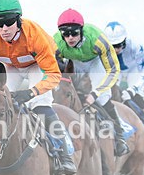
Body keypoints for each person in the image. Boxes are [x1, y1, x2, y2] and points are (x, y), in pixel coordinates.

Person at [0, 0, 76, 175]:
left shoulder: (35, 36)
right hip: (11, 66)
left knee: (40, 104)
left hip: (37, 66)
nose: (4, 28)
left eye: (9, 22)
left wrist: (31, 92)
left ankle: (64, 155)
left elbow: (53, 75)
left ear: (18, 20)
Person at [54, 8, 129, 156]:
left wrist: (94, 94)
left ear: (81, 30)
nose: (70, 38)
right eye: (66, 34)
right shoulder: (55, 43)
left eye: (74, 33)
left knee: (102, 98)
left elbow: (113, 70)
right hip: (74, 62)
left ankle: (119, 137)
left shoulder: (98, 39)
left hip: (95, 62)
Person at [103, 21, 144, 151]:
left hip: (133, 72)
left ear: (125, 40)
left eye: (119, 45)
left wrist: (132, 90)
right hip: (116, 72)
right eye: (112, 45)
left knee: (136, 98)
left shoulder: (136, 47)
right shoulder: (103, 49)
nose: (116, 49)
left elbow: (143, 73)